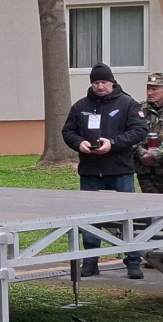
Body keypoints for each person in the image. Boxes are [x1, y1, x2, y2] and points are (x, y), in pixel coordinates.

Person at [61, 62, 147, 279]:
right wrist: (79, 143)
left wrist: (113, 143)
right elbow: (68, 131)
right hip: (91, 172)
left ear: (112, 82)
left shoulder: (127, 104)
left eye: (104, 82)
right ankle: (90, 262)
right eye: (96, 82)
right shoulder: (80, 106)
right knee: (90, 218)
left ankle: (133, 262)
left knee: (128, 217)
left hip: (120, 171)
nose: (100, 86)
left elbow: (139, 130)